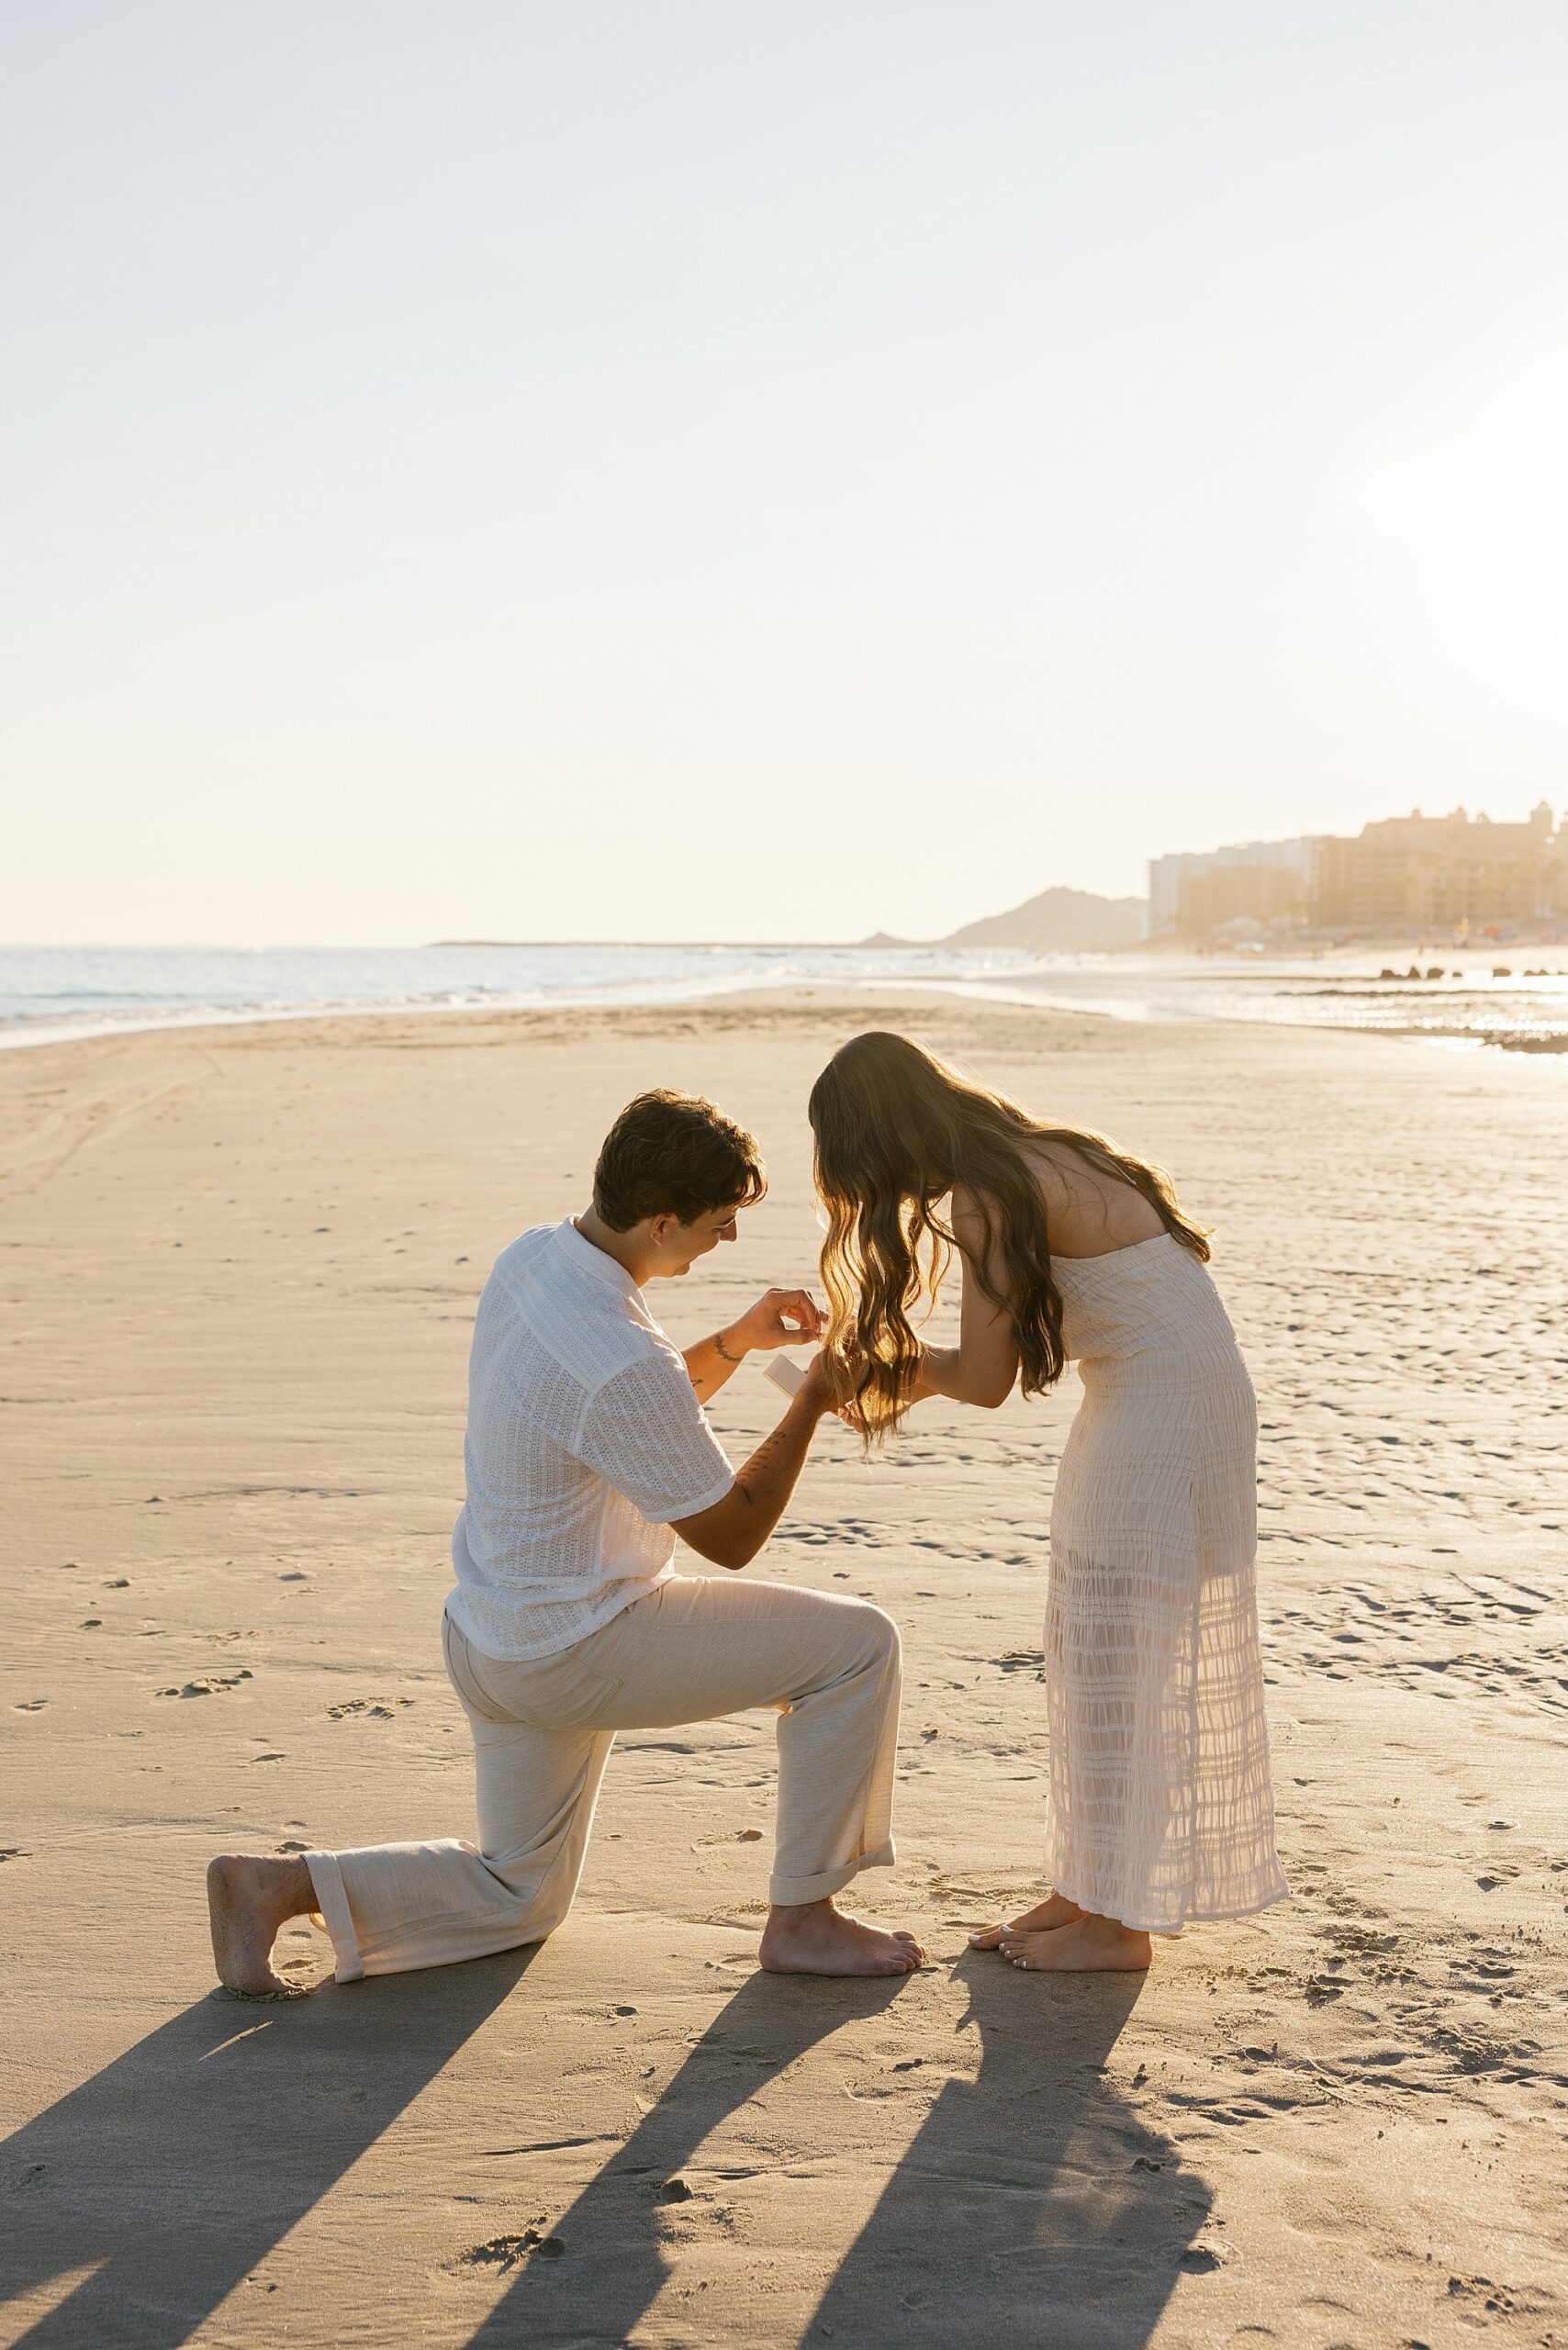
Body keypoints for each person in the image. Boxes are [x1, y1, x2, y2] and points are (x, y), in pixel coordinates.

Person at [208, 1088, 924, 1994]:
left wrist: (735, 1342)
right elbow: (732, 1535)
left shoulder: (537, 1257)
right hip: (576, 1648)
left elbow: (626, 1419)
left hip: (489, 1633)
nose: (728, 1241)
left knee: (521, 1895)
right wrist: (812, 1399)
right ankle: (805, 1921)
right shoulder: (623, 1354)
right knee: (858, 1646)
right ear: (661, 1222)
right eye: (719, 1222)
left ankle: (272, 1886)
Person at [808, 1032, 1287, 1974]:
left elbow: (983, 1380)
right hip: (1162, 1394)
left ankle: (1121, 1927)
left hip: (1163, 1410)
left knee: (1120, 1650)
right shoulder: (1042, 1150)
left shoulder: (987, 1193)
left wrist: (887, 1372)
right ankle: (1085, 1891)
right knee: (1094, 1642)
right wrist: (902, 1374)